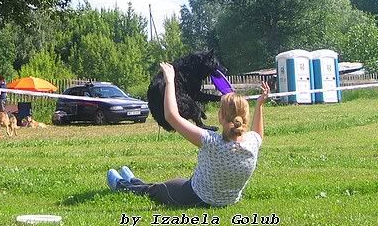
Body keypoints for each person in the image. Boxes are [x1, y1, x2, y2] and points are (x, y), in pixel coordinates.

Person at [106, 62, 270, 207]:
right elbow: (258, 133)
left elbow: (171, 116)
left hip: (197, 197)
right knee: (168, 185)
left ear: (220, 117)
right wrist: (260, 104)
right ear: (244, 118)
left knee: (158, 190)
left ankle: (121, 185)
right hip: (229, 200)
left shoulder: (212, 142)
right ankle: (134, 181)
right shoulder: (252, 143)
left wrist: (170, 81)